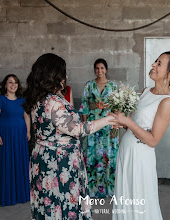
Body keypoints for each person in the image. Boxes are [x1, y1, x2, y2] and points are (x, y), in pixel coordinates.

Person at [23, 53, 116, 219]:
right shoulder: (53, 102)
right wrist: (108, 119)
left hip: (44, 157)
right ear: (53, 74)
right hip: (59, 162)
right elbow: (78, 129)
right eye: (62, 72)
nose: (65, 76)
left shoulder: (38, 98)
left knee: (48, 203)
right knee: (63, 203)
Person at [111, 51, 170, 220]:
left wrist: (128, 122)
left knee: (139, 200)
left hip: (140, 157)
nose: (153, 65)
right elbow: (138, 123)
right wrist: (122, 122)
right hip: (127, 150)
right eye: (155, 61)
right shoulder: (146, 91)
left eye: (159, 63)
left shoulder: (166, 102)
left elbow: (153, 140)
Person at [0, 74, 31, 206]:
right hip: (5, 135)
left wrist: (28, 131)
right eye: (10, 82)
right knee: (6, 163)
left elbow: (27, 116)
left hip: (20, 135)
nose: (13, 85)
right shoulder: (0, 100)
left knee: (19, 162)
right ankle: (6, 195)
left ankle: (20, 194)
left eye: (15, 82)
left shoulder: (21, 100)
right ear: (5, 85)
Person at [79, 58, 119, 197]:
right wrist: (84, 127)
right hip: (93, 124)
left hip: (108, 126)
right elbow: (84, 106)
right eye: (97, 68)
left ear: (106, 69)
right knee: (92, 156)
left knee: (108, 156)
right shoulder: (89, 85)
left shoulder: (113, 86)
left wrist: (116, 127)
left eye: (102, 68)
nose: (99, 71)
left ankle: (109, 190)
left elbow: (117, 108)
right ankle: (92, 190)